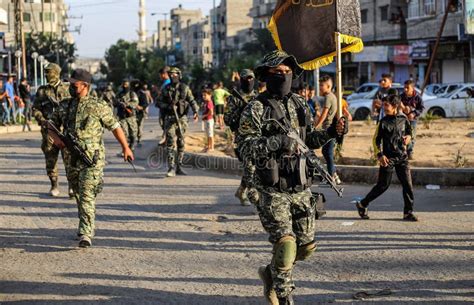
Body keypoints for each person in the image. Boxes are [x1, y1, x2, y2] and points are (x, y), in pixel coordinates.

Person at [237, 50, 347, 304]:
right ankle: (283, 295)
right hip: (270, 187)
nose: (284, 76)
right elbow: (244, 148)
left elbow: (310, 140)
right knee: (286, 245)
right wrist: (276, 142)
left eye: (288, 72)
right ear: (266, 75)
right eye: (278, 73)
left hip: (300, 186)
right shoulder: (255, 108)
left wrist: (332, 131)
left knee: (306, 247)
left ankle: (272, 273)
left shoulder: (299, 103)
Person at [51, 69, 134, 247]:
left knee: (87, 193)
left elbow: (115, 127)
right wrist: (57, 140)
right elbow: (50, 125)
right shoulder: (64, 105)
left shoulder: (98, 106)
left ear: (85, 86)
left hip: (92, 158)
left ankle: (85, 233)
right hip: (70, 159)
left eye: (74, 85)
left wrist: (126, 147)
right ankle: (86, 223)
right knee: (80, 194)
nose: (71, 88)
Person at [353, 94, 417, 222]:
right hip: (387, 159)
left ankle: (408, 213)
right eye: (383, 105)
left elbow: (410, 133)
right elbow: (375, 140)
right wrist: (380, 155)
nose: (384, 107)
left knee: (408, 185)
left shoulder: (404, 119)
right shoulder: (383, 122)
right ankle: (363, 204)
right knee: (383, 185)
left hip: (402, 158)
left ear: (395, 106)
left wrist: (408, 138)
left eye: (386, 105)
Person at [32, 63, 71, 197]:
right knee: (50, 159)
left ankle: (72, 186)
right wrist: (42, 120)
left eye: (48, 72)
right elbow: (35, 108)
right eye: (45, 72)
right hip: (49, 131)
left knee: (69, 159)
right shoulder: (42, 91)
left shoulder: (67, 88)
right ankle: (54, 185)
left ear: (56, 73)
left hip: (66, 131)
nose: (46, 75)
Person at [224, 69, 258, 206]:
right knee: (250, 167)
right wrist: (240, 113)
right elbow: (227, 119)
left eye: (251, 78)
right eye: (246, 78)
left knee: (253, 167)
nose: (249, 81)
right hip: (242, 139)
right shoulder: (235, 98)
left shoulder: (258, 97)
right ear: (241, 80)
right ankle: (254, 196)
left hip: (258, 137)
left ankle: (241, 191)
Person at [156, 67, 199, 177]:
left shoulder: (185, 88)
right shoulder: (166, 89)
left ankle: (179, 165)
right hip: (170, 118)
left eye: (175, 75)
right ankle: (171, 167)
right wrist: (168, 106)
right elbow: (158, 102)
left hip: (182, 119)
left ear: (179, 75)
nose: (173, 76)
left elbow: (192, 100)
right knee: (170, 142)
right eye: (171, 75)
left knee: (181, 142)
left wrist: (195, 111)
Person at [314, 75, 342, 185]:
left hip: (329, 129)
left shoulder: (329, 97)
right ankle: (334, 175)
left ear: (329, 86)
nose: (320, 87)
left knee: (328, 153)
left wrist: (316, 126)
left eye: (322, 85)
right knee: (326, 152)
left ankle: (331, 177)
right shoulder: (332, 96)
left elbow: (324, 114)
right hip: (329, 129)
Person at [400, 80, 424, 160]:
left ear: (412, 88)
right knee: (402, 135)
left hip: (412, 121)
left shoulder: (417, 97)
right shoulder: (401, 96)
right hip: (402, 120)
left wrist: (414, 113)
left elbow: (421, 108)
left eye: (407, 88)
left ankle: (410, 152)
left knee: (412, 136)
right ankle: (403, 152)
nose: (405, 89)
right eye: (404, 88)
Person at [115, 80, 139, 151]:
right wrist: (118, 103)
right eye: (123, 85)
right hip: (122, 116)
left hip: (130, 116)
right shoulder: (119, 94)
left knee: (133, 133)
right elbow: (115, 102)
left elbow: (135, 103)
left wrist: (127, 104)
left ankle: (131, 145)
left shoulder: (132, 94)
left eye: (126, 85)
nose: (124, 86)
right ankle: (125, 148)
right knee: (124, 133)